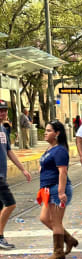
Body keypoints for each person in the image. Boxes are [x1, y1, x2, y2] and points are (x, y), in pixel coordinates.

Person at [37, 120, 78, 259]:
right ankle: (69, 239)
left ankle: (58, 252)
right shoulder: (50, 148)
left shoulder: (60, 150)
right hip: (48, 189)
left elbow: (63, 172)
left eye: (49, 131)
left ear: (57, 133)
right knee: (44, 218)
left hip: (56, 188)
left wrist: (61, 192)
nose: (45, 133)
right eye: (46, 130)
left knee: (56, 222)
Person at [0, 99, 32, 250]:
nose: (3, 113)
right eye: (0, 110)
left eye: (4, 110)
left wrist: (23, 169)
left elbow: (9, 151)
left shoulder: (4, 130)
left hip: (2, 174)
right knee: (10, 203)